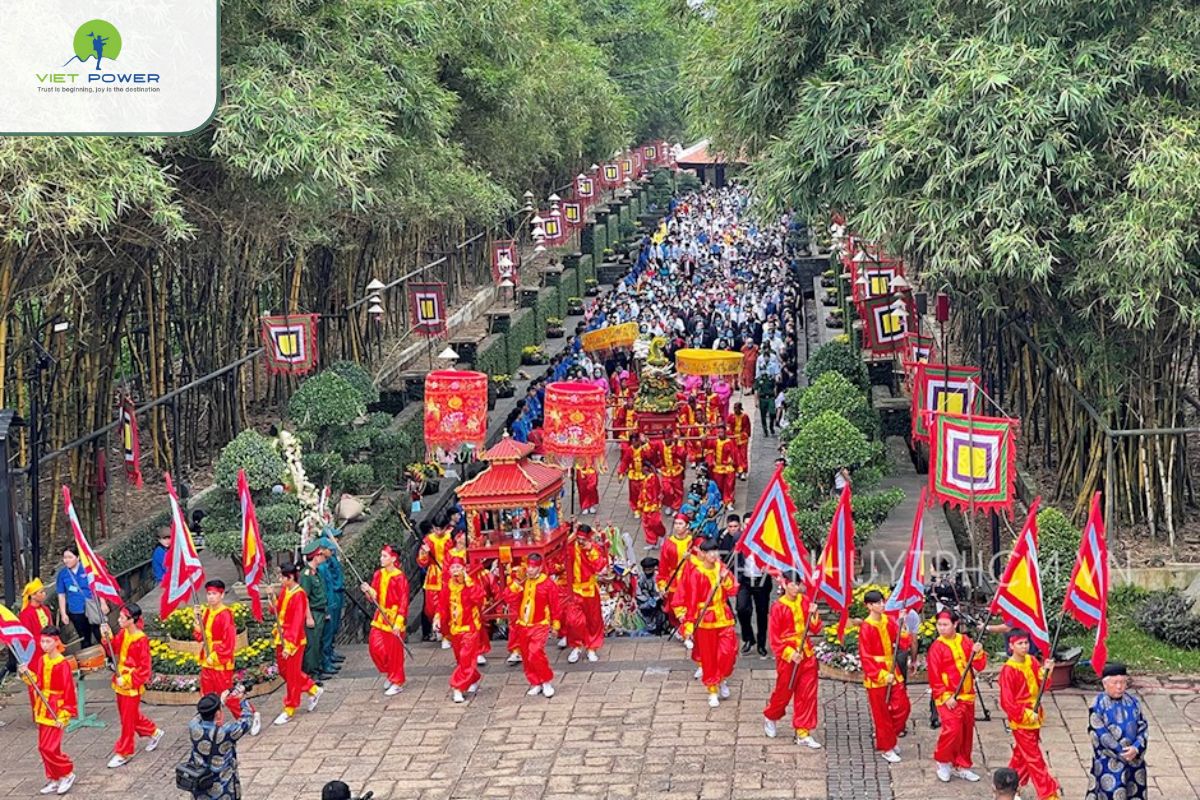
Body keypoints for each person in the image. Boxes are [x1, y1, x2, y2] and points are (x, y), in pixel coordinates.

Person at [762, 571, 822, 748]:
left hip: (806, 654)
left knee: (807, 693)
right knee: (784, 691)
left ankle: (803, 732)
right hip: (788, 657)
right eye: (792, 584)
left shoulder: (805, 601)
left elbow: (816, 629)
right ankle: (771, 716)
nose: (796, 588)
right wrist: (789, 653)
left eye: (798, 584)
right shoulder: (778, 607)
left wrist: (814, 614)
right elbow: (774, 638)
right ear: (785, 585)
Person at [998, 629, 1060, 800]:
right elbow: (1007, 702)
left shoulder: (1031, 661)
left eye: (1026, 643)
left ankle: (1007, 787)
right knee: (1034, 758)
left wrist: (1047, 671)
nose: (1024, 646)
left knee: (1021, 756)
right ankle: (1048, 793)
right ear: (1011, 646)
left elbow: (1042, 686)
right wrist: (1024, 715)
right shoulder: (1008, 670)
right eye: (1020, 643)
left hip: (1035, 716)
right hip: (1022, 721)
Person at [194, 579, 261, 735]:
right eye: (209, 593)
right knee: (209, 695)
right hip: (207, 661)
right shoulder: (207, 611)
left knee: (229, 696)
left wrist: (216, 656)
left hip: (220, 662)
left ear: (222, 595)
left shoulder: (225, 614)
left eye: (214, 594)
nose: (211, 597)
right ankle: (215, 724)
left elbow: (229, 642)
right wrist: (197, 620)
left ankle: (251, 715)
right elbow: (200, 636)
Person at [925, 609, 986, 783]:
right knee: (952, 730)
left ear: (955, 625)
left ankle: (962, 765)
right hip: (948, 697)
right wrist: (945, 696)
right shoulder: (936, 647)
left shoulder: (965, 641)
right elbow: (934, 676)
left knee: (966, 731)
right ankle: (943, 761)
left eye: (945, 625)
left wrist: (978, 652)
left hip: (967, 695)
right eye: (939, 625)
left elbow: (979, 665)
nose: (941, 628)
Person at [675, 539, 737, 708]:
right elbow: (691, 600)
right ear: (702, 554)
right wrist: (688, 623)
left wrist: (725, 580)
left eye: (715, 551)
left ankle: (722, 678)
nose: (713, 555)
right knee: (708, 657)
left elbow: (733, 590)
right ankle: (712, 690)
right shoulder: (696, 573)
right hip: (705, 619)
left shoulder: (722, 569)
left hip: (723, 617)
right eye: (709, 552)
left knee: (727, 653)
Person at [18, 626, 77, 795]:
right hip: (43, 707)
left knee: (49, 748)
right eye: (42, 641)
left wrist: (65, 713)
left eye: (47, 641)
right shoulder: (42, 660)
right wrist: (26, 673)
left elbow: (68, 690)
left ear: (56, 641)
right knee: (43, 747)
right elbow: (38, 683)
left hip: (56, 710)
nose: (44, 644)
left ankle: (67, 772)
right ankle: (53, 777)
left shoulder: (62, 663)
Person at [105, 603, 163, 768]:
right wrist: (107, 637)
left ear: (131, 620)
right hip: (120, 679)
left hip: (131, 683)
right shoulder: (123, 634)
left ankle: (124, 751)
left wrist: (129, 679)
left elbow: (145, 669)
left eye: (122, 618)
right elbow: (113, 649)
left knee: (127, 720)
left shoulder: (141, 639)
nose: (119, 620)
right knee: (128, 715)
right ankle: (153, 732)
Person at [857, 588, 911, 763]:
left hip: (893, 670)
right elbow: (865, 657)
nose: (882, 605)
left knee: (902, 706)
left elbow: (901, 642)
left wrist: (902, 626)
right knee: (881, 714)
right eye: (878, 603)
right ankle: (886, 746)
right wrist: (880, 674)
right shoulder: (866, 627)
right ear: (869, 606)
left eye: (882, 602)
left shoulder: (888, 621)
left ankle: (889, 737)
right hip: (878, 675)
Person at [271, 562, 324, 725]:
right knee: (284, 670)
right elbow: (278, 611)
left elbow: (296, 621)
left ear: (291, 577)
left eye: (282, 577)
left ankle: (290, 707)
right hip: (281, 636)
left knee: (292, 675)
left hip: (293, 640)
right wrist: (272, 598)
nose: (280, 580)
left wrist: (290, 645)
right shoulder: (286, 591)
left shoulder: (299, 594)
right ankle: (312, 688)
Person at [1086, 662, 1148, 800]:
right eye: (1115, 683)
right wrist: (1121, 752)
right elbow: (1099, 734)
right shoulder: (1097, 705)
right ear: (1105, 684)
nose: (1119, 687)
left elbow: (1143, 728)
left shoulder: (1134, 702)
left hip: (1134, 761)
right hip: (1109, 762)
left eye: (1123, 682)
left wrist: (1136, 749)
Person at [503, 553, 561, 697]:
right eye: (528, 566)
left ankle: (546, 681)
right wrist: (516, 583)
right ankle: (535, 682)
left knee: (536, 652)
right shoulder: (523, 580)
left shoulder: (548, 584)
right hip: (523, 624)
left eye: (533, 567)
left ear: (540, 568)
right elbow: (507, 597)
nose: (530, 570)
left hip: (540, 625)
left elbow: (555, 605)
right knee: (527, 655)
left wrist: (556, 624)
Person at [187, 690, 253, 800]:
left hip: (200, 782)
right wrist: (242, 700)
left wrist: (220, 703)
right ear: (218, 714)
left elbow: (200, 715)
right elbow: (247, 720)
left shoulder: (193, 726)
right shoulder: (226, 732)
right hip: (223, 787)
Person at [361, 544, 409, 696]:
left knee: (394, 652)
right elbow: (374, 597)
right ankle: (390, 672)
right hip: (380, 616)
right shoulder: (378, 574)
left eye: (384, 556)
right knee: (375, 647)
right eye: (381, 556)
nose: (381, 559)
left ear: (393, 558)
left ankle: (397, 680)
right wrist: (368, 590)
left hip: (394, 617)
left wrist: (399, 622)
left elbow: (403, 601)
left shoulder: (400, 578)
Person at [439, 556, 486, 704]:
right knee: (461, 659)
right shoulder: (447, 586)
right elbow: (443, 606)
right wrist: (438, 619)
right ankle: (472, 678)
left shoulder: (470, 584)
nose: (455, 571)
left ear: (464, 569)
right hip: (455, 629)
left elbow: (479, 599)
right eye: (453, 568)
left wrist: (468, 583)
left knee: (466, 657)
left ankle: (457, 687)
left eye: (458, 568)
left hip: (470, 628)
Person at [565, 524, 608, 664]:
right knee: (573, 620)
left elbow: (601, 566)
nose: (581, 541)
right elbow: (561, 551)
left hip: (589, 590)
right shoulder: (572, 546)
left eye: (583, 539)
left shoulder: (594, 548)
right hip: (574, 590)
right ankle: (576, 646)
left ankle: (591, 648)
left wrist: (590, 551)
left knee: (593, 620)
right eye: (579, 538)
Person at [732, 515, 771, 658]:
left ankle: (761, 644)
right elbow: (730, 559)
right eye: (747, 524)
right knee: (742, 609)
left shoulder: (765, 540)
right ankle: (748, 638)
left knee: (762, 614)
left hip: (762, 581)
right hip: (744, 581)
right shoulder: (738, 539)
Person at [55, 546, 108, 648]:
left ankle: (109, 656)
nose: (67, 560)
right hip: (76, 609)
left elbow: (98, 585)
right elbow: (61, 594)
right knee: (84, 637)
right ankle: (90, 659)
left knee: (100, 633)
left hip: (92, 605)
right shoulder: (63, 574)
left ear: (78, 557)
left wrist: (103, 602)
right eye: (65, 558)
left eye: (70, 557)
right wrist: (63, 613)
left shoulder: (87, 568)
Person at [417, 518, 453, 647]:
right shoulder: (428, 540)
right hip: (433, 575)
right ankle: (439, 628)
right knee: (431, 607)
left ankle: (446, 634)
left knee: (448, 604)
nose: (438, 531)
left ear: (445, 528)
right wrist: (424, 553)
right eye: (436, 528)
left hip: (448, 573)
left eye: (441, 529)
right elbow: (422, 562)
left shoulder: (450, 537)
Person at [316, 536, 347, 676]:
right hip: (330, 599)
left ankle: (329, 655)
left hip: (334, 597)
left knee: (333, 629)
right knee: (326, 634)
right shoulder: (322, 567)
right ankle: (325, 661)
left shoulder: (330, 560)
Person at [300, 541, 330, 680]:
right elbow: (304, 597)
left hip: (320, 611)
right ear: (315, 556)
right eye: (321, 555)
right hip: (313, 612)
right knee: (312, 644)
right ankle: (311, 673)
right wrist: (309, 617)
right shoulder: (306, 575)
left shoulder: (315, 573)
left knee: (318, 642)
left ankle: (317, 669)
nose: (323, 558)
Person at [618, 432, 654, 516]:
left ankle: (645, 507)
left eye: (637, 441)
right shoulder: (629, 450)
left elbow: (650, 456)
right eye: (633, 442)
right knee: (634, 493)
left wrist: (646, 443)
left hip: (643, 474)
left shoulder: (644, 449)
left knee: (645, 491)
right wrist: (621, 473)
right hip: (633, 474)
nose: (635, 443)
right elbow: (624, 462)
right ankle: (636, 509)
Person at [638, 468, 666, 548]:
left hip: (653, 505)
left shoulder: (653, 479)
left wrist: (656, 503)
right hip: (645, 505)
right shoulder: (644, 478)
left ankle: (661, 535)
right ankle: (652, 541)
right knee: (646, 524)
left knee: (655, 522)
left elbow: (655, 492)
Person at [711, 428, 737, 507]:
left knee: (729, 485)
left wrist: (733, 462)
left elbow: (734, 454)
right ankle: (720, 499)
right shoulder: (715, 441)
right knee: (719, 485)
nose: (720, 434)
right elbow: (709, 448)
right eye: (719, 432)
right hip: (718, 467)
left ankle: (729, 501)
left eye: (722, 432)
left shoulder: (730, 442)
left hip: (727, 467)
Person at [727, 402, 751, 479]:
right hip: (733, 438)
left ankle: (743, 471)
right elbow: (728, 427)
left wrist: (744, 435)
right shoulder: (731, 416)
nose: (735, 410)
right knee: (734, 455)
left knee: (743, 455)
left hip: (742, 438)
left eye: (736, 408)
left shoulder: (745, 417)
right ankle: (737, 470)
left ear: (740, 409)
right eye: (734, 408)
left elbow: (747, 428)